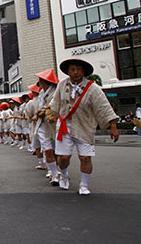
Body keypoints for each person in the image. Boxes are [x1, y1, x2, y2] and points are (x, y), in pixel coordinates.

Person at [49, 58, 119, 195]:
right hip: (64, 126)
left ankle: (83, 185)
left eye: (79, 69)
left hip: (84, 126)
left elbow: (104, 108)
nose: (76, 73)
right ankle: (63, 175)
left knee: (85, 157)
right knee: (63, 157)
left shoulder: (93, 88)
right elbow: (54, 104)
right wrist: (50, 113)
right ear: (68, 71)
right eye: (72, 69)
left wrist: (113, 126)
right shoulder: (62, 85)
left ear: (83, 71)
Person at [34, 69, 60, 184]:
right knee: (48, 150)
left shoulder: (56, 92)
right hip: (41, 124)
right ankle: (54, 174)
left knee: (56, 151)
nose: (39, 82)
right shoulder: (41, 94)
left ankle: (60, 172)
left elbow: (54, 106)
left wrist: (42, 111)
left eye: (40, 80)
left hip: (53, 124)